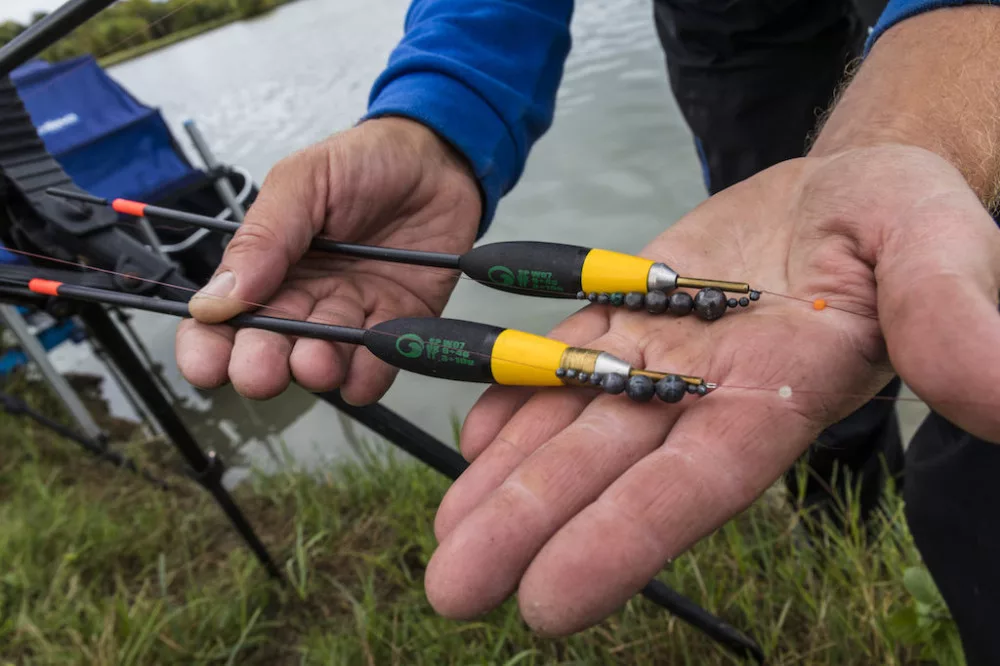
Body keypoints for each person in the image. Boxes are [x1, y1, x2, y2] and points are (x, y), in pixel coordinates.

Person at [173, 0, 1000, 662]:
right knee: (807, 323)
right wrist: (442, 113)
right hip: (732, 24)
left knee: (930, 280)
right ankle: (840, 512)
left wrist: (931, 92)